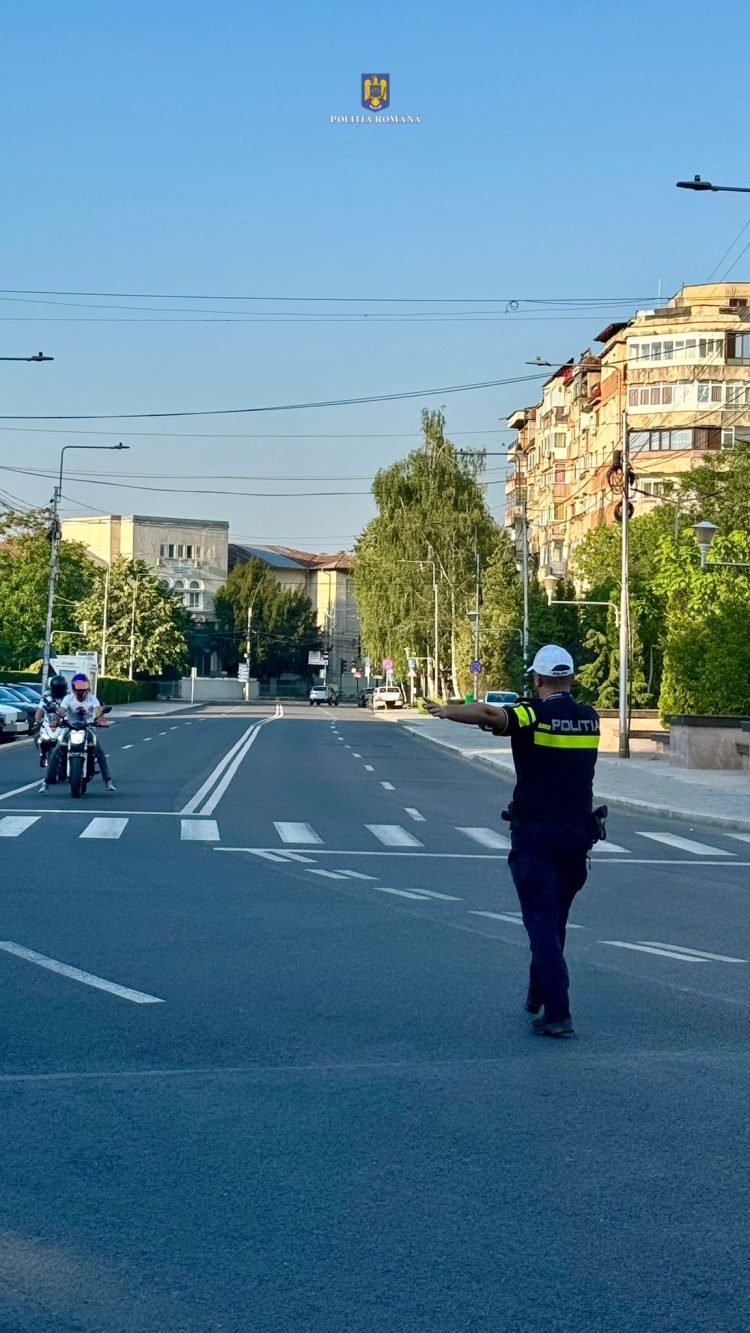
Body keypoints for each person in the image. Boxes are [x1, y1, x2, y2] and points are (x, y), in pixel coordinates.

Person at [427, 644, 601, 1039]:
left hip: (538, 837)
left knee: (540, 924)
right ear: (570, 678)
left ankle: (558, 1011)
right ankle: (537, 994)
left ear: (537, 679)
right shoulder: (590, 719)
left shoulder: (532, 715)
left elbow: (491, 713)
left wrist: (446, 711)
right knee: (555, 921)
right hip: (577, 837)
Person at [40, 673, 116, 793]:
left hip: (88, 728)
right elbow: (60, 711)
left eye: (83, 685)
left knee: (99, 751)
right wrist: (55, 721)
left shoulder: (92, 698)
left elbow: (98, 711)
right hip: (70, 728)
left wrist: (102, 721)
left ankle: (108, 781)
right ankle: (46, 782)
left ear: (87, 686)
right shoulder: (68, 698)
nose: (80, 689)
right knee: (56, 751)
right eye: (77, 686)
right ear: (73, 687)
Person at [34, 673, 68, 768]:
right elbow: (40, 710)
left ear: (65, 688)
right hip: (49, 723)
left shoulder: (68, 697)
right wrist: (37, 721)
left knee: (74, 739)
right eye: (56, 688)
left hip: (64, 723)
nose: (58, 691)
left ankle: (73, 759)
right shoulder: (47, 696)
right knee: (37, 737)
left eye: (60, 688)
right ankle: (43, 754)